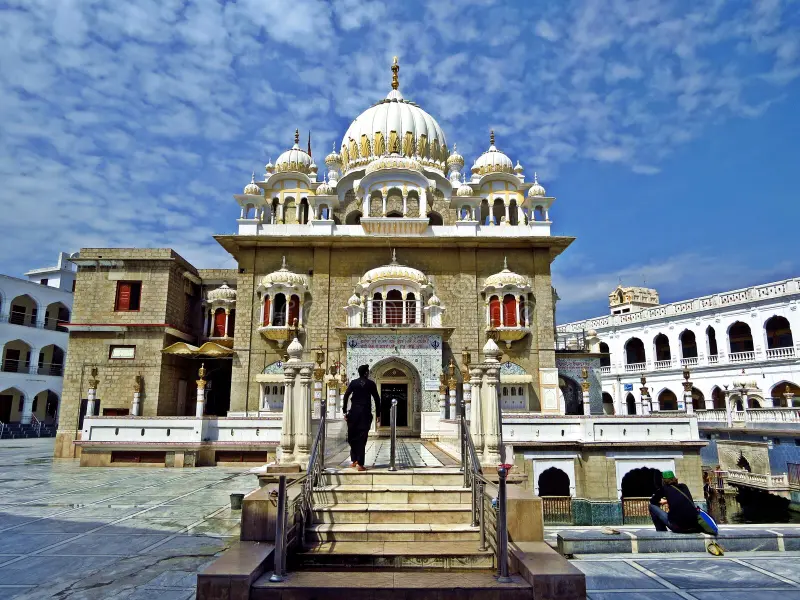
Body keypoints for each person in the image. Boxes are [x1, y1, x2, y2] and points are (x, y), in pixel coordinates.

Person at [342, 364, 381, 471]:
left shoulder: (354, 383)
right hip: (365, 414)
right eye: (367, 371)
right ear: (366, 373)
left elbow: (346, 396)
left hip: (353, 413)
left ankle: (354, 460)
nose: (368, 373)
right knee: (362, 437)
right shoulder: (370, 384)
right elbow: (377, 399)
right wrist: (378, 414)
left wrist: (344, 411)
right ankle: (360, 463)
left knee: (352, 436)